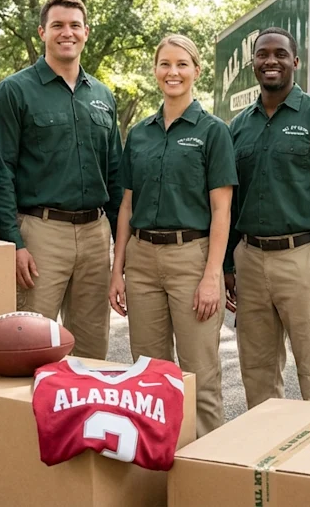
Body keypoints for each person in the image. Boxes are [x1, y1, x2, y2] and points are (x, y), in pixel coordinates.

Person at [107, 34, 236, 437]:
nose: (173, 72)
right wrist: (118, 271)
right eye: (165, 64)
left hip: (191, 259)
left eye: (182, 64)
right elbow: (127, 205)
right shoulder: (141, 134)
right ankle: (154, 467)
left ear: (196, 71)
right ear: (155, 70)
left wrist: (212, 273)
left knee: (200, 375)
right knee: (148, 376)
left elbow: (221, 210)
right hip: (142, 262)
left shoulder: (213, 132)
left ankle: (207, 471)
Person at [223, 26, 310, 408]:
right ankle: (270, 464)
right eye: (263, 54)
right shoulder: (239, 127)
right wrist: (230, 262)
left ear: (295, 62)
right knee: (258, 375)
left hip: (303, 260)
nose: (271, 61)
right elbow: (230, 202)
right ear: (253, 64)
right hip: (250, 262)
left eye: (280, 54)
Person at [0, 0, 122, 360]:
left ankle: (83, 417)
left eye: (75, 25)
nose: (67, 33)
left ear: (86, 32)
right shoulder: (14, 91)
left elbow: (114, 174)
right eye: (58, 25)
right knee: (31, 341)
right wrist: (14, 242)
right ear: (42, 32)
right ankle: (27, 418)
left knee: (92, 347)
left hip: (96, 236)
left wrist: (120, 249)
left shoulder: (103, 96)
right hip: (40, 233)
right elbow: (0, 170)